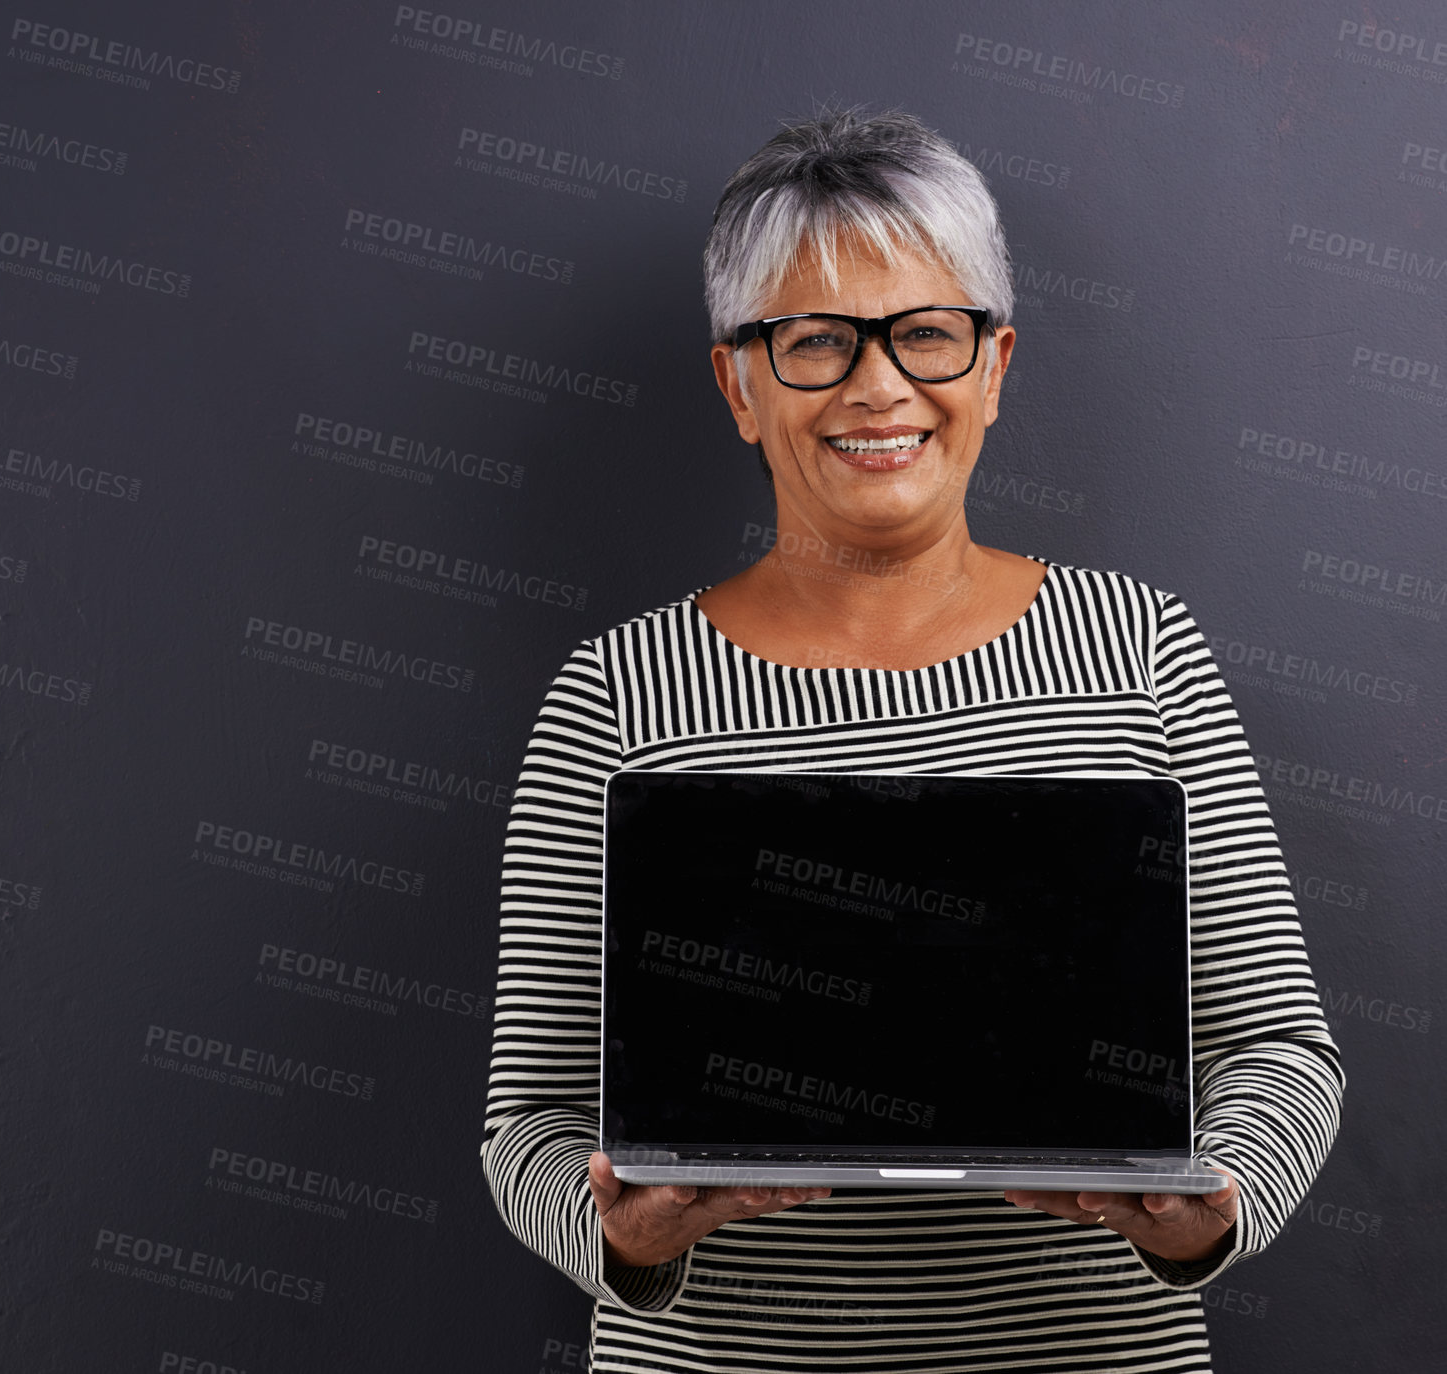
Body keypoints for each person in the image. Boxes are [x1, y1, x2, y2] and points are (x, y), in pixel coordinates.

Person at [482, 110, 1343, 1373]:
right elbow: (532, 1123)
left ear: (991, 367)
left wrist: (1206, 1219)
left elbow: (1277, 1053)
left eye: (923, 333)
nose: (878, 386)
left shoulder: (1142, 646)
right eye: (814, 341)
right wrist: (622, 1236)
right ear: (738, 383)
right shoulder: (614, 692)